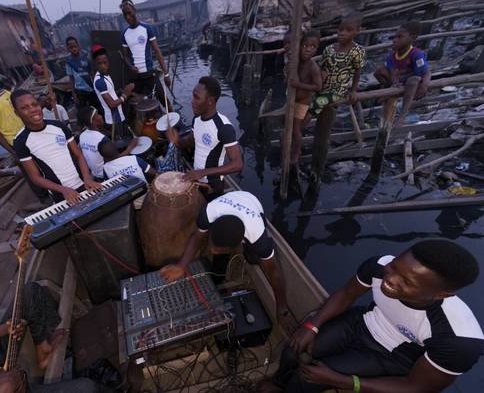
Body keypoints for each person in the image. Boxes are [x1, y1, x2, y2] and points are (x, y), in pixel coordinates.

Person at [259, 239, 483, 393]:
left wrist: (341, 381)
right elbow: (347, 294)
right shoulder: (378, 266)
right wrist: (312, 326)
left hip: (393, 357)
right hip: (361, 324)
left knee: (305, 379)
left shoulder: (459, 340)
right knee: (292, 349)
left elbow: (416, 387)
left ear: (441, 294)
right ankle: (278, 383)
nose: (390, 279)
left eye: (407, 282)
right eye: (395, 267)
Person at [160, 191, 288, 325]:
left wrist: (282, 307)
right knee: (219, 257)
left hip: (252, 201)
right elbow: (196, 237)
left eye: (218, 249)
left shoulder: (258, 236)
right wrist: (181, 266)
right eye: (213, 245)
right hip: (231, 199)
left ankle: (248, 254)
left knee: (253, 257)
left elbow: (274, 272)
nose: (211, 251)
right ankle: (218, 277)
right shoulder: (208, 213)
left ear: (238, 244)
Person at [308, 13, 366, 192]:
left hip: (338, 91)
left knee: (318, 106)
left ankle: (303, 123)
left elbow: (357, 72)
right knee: (312, 100)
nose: (342, 33)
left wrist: (354, 90)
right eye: (340, 29)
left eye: (348, 30)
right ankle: (303, 122)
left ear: (357, 31)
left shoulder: (357, 51)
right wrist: (320, 78)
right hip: (323, 86)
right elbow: (322, 68)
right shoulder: (329, 50)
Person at [11, 89, 101, 204]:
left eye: (34, 104)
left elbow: (79, 155)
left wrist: (87, 178)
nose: (33, 110)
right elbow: (35, 177)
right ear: (17, 113)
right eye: (25, 108)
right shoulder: (20, 141)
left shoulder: (59, 126)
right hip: (61, 194)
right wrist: (63, 189)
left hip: (85, 184)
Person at [167, 76, 243, 201]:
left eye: (197, 98)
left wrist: (202, 172)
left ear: (210, 101)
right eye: (193, 96)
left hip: (212, 186)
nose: (192, 101)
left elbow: (237, 164)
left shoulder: (224, 127)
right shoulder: (196, 119)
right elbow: (191, 141)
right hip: (196, 178)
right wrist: (177, 141)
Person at [374, 22, 431, 126]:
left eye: (400, 37)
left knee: (413, 81)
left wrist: (424, 85)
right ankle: (390, 92)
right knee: (379, 72)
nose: (395, 40)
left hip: (412, 81)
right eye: (395, 37)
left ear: (412, 38)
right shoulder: (392, 56)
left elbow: (425, 71)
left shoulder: (416, 54)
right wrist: (395, 81)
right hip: (400, 81)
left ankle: (402, 116)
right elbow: (391, 71)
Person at [119, 0, 170, 96]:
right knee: (137, 105)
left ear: (134, 10)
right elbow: (125, 56)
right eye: (125, 15)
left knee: (166, 102)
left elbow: (157, 52)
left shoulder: (147, 28)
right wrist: (130, 67)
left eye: (129, 13)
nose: (128, 17)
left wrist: (166, 74)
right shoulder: (124, 34)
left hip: (149, 74)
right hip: (135, 77)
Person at [287, 30, 322, 164]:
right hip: (293, 99)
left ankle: (297, 152)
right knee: (285, 121)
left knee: (296, 128)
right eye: (305, 46)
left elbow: (318, 87)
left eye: (313, 47)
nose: (308, 49)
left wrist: (299, 85)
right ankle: (290, 143)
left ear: (316, 49)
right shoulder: (296, 61)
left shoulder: (313, 67)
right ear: (300, 46)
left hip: (303, 101)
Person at [77, 106, 138, 180]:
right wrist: (131, 146)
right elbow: (117, 159)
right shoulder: (101, 139)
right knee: (137, 160)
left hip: (95, 173)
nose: (101, 116)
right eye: (98, 115)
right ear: (92, 122)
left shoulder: (82, 135)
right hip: (106, 174)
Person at [92, 46, 135, 136]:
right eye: (99, 63)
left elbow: (110, 93)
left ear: (108, 61)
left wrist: (120, 91)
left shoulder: (105, 75)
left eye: (105, 62)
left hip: (118, 115)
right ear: (95, 64)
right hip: (114, 119)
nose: (103, 66)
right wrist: (125, 95)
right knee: (122, 142)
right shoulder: (100, 81)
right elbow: (111, 104)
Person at [65, 36, 97, 108]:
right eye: (71, 47)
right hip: (80, 91)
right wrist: (73, 94)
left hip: (91, 88)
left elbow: (92, 72)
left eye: (75, 46)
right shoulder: (69, 62)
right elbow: (71, 79)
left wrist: (96, 87)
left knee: (96, 108)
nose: (74, 49)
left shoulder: (86, 57)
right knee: (83, 112)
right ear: (68, 49)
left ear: (78, 46)